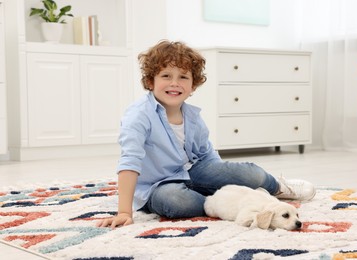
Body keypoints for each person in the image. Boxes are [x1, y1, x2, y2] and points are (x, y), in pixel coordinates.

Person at [97, 40, 316, 229]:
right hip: (159, 186)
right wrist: (125, 212)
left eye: (183, 77)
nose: (175, 83)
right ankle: (229, 204)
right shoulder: (138, 116)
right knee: (176, 202)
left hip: (194, 171)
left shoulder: (192, 116)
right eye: (166, 75)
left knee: (249, 173)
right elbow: (129, 161)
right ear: (150, 81)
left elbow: (208, 158)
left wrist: (226, 179)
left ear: (193, 85)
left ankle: (276, 187)